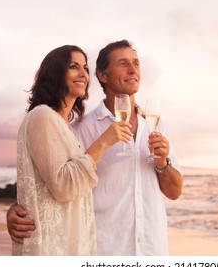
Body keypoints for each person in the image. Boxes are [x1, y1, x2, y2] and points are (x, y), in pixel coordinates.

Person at [7, 40, 183, 255]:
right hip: (103, 249)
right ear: (102, 75)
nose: (132, 70)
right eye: (123, 64)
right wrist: (17, 210)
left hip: (152, 249)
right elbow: (50, 180)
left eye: (136, 64)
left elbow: (174, 192)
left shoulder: (156, 125)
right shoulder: (79, 129)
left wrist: (162, 163)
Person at [13, 45, 132, 255]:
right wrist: (103, 142)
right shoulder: (43, 116)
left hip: (69, 244)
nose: (83, 74)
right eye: (73, 66)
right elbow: (63, 186)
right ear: (56, 73)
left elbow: (43, 184)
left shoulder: (65, 125)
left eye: (85, 68)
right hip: (51, 247)